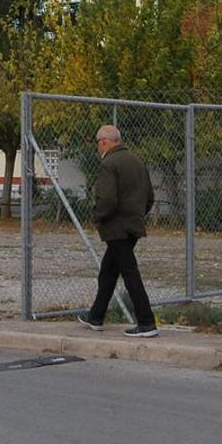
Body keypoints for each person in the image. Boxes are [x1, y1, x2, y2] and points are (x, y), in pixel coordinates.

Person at [77, 125, 159, 338]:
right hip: (133, 225)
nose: (98, 147)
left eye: (98, 143)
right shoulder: (136, 161)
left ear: (104, 141)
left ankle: (146, 321)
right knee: (109, 270)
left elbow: (107, 199)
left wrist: (98, 216)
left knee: (129, 272)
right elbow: (149, 197)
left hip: (116, 227)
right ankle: (96, 316)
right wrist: (138, 214)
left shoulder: (109, 163)